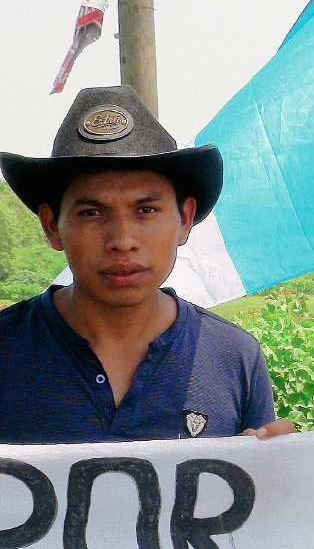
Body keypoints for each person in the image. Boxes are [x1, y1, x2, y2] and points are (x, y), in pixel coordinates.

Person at [0, 85, 293, 444]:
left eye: (146, 211)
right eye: (91, 212)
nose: (123, 240)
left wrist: (280, 474)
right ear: (52, 226)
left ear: (185, 220)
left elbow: (253, 493)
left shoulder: (233, 358)